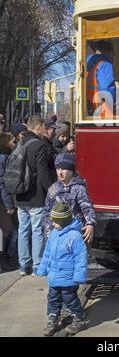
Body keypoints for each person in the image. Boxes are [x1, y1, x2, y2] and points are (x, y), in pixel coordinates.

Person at [37, 201, 88, 336]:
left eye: (56, 221)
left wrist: (79, 276)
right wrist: (42, 268)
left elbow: (80, 258)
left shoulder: (75, 236)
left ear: (64, 221)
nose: (53, 223)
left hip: (68, 278)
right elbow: (47, 253)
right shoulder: (54, 233)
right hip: (54, 277)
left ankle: (79, 318)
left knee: (70, 299)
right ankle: (52, 318)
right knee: (52, 299)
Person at [16, 115, 53, 276]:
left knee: (23, 230)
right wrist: (53, 191)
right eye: (44, 127)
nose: (45, 130)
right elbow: (43, 173)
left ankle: (24, 266)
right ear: (38, 127)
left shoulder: (20, 143)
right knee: (37, 230)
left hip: (20, 195)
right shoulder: (39, 145)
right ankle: (37, 266)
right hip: (36, 195)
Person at [42, 153, 96, 244]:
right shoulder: (53, 189)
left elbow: (87, 208)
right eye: (58, 169)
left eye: (64, 169)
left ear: (71, 170)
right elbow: (46, 212)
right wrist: (48, 230)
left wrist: (90, 224)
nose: (60, 172)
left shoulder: (79, 188)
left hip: (73, 234)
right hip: (55, 234)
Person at [86, 40, 115, 117]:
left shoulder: (87, 66)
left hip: (91, 108)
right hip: (104, 112)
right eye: (113, 54)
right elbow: (106, 90)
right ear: (108, 52)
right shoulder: (105, 65)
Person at [0, 132, 16, 271]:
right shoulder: (3, 158)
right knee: (5, 231)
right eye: (12, 141)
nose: (14, 143)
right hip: (2, 202)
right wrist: (9, 205)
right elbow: (2, 183)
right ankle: (4, 260)